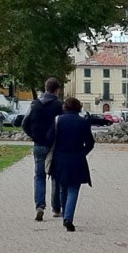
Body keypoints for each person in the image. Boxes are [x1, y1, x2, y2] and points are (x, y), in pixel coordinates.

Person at [47, 97, 95, 232]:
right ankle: (68, 218)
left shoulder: (58, 121)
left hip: (60, 159)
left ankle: (64, 214)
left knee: (62, 187)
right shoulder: (83, 122)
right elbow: (90, 143)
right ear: (79, 108)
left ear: (65, 107)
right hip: (77, 159)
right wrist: (82, 153)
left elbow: (49, 138)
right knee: (73, 189)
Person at [21, 78, 65, 221]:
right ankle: (56, 208)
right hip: (54, 145)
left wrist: (33, 135)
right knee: (55, 176)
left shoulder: (35, 104)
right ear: (56, 90)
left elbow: (24, 123)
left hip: (39, 144)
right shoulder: (59, 105)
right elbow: (63, 124)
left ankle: (40, 206)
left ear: (45, 88)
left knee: (39, 176)